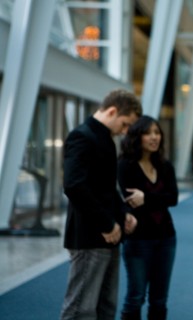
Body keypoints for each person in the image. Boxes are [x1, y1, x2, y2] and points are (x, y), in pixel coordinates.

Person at [61, 89, 142, 320]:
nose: (125, 132)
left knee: (105, 307)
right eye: (125, 124)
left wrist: (123, 214)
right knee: (80, 309)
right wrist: (107, 224)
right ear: (112, 111)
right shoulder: (82, 136)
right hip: (90, 235)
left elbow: (106, 187)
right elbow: (74, 186)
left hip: (108, 234)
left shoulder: (104, 138)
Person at [117, 115, 179, 320]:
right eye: (148, 133)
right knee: (136, 296)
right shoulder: (125, 165)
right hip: (138, 239)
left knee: (159, 299)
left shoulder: (164, 165)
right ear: (137, 136)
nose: (154, 137)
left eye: (157, 132)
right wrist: (155, 199)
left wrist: (146, 198)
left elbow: (173, 198)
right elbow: (129, 201)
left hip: (166, 238)